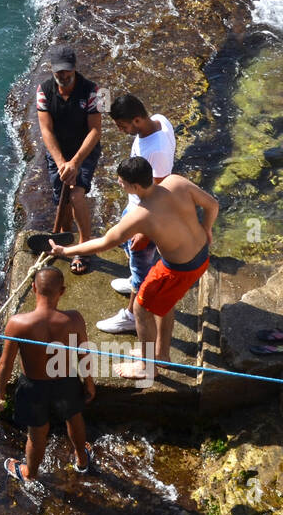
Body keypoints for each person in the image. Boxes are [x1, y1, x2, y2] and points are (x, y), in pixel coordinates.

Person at [51, 158, 219, 379]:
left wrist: (66, 251)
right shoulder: (176, 182)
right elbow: (213, 204)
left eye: (122, 182)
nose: (119, 184)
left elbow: (104, 243)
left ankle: (147, 367)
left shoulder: (141, 214)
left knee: (141, 309)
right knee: (164, 302)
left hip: (178, 270)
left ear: (136, 187)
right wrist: (206, 229)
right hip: (201, 258)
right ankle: (161, 355)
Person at [0, 266, 95, 480]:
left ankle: (29, 472)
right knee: (74, 418)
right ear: (63, 291)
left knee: (37, 432)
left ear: (33, 288)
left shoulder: (18, 323)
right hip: (66, 381)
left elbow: (5, 363)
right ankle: (82, 460)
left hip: (33, 386)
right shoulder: (74, 319)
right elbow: (84, 353)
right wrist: (89, 382)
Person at [98, 94, 177, 334]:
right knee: (131, 255)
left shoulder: (158, 151)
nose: (121, 130)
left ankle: (132, 316)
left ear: (137, 120)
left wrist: (144, 230)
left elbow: (159, 194)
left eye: (123, 126)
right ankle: (134, 280)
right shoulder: (158, 120)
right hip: (135, 206)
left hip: (145, 215)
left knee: (141, 263)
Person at [35, 44, 103, 274]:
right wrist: (62, 162)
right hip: (57, 152)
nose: (63, 76)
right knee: (61, 200)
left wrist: (75, 163)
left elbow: (96, 131)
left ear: (75, 68)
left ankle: (84, 247)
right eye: (58, 72)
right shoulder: (43, 91)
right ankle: (65, 242)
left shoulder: (97, 91)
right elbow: (46, 130)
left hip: (84, 150)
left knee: (75, 194)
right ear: (52, 70)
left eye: (67, 71)